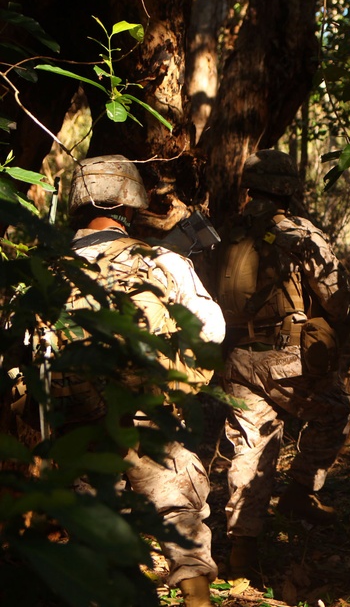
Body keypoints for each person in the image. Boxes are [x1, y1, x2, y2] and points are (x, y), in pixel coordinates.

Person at [65, 154, 225, 607]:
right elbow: (211, 331)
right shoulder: (163, 262)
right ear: (131, 206)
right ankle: (197, 600)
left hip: (72, 427)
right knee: (180, 515)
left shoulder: (45, 271)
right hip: (148, 420)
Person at [215, 149, 350, 578]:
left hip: (237, 356)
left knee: (249, 445)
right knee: (336, 412)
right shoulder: (300, 234)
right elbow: (337, 297)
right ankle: (299, 492)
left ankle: (242, 548)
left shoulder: (226, 232)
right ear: (289, 191)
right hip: (287, 359)